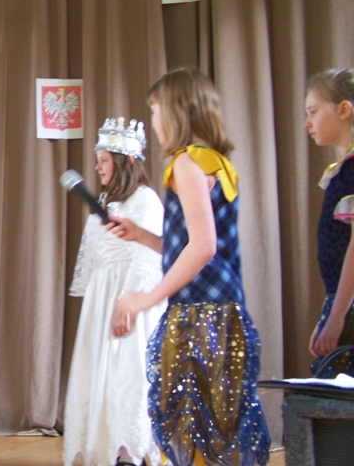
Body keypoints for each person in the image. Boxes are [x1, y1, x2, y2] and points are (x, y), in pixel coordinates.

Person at [109, 68, 271, 466]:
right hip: (224, 309)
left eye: (155, 110)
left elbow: (202, 247)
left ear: (176, 111)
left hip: (199, 315)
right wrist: (143, 236)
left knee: (193, 424)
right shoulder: (215, 162)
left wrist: (147, 298)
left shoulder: (185, 163)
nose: (153, 121)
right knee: (218, 423)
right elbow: (196, 245)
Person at [63, 117, 166, 466]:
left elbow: (148, 257)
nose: (97, 167)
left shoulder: (146, 200)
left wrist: (129, 302)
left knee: (128, 372)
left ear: (125, 161)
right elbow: (95, 253)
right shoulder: (105, 201)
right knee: (102, 374)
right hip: (103, 296)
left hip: (129, 296)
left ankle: (136, 449)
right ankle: (111, 449)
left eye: (104, 160)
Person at [304, 68, 354, 376]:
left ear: (343, 110)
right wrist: (332, 311)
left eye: (313, 111)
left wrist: (336, 318)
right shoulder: (343, 170)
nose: (307, 122)